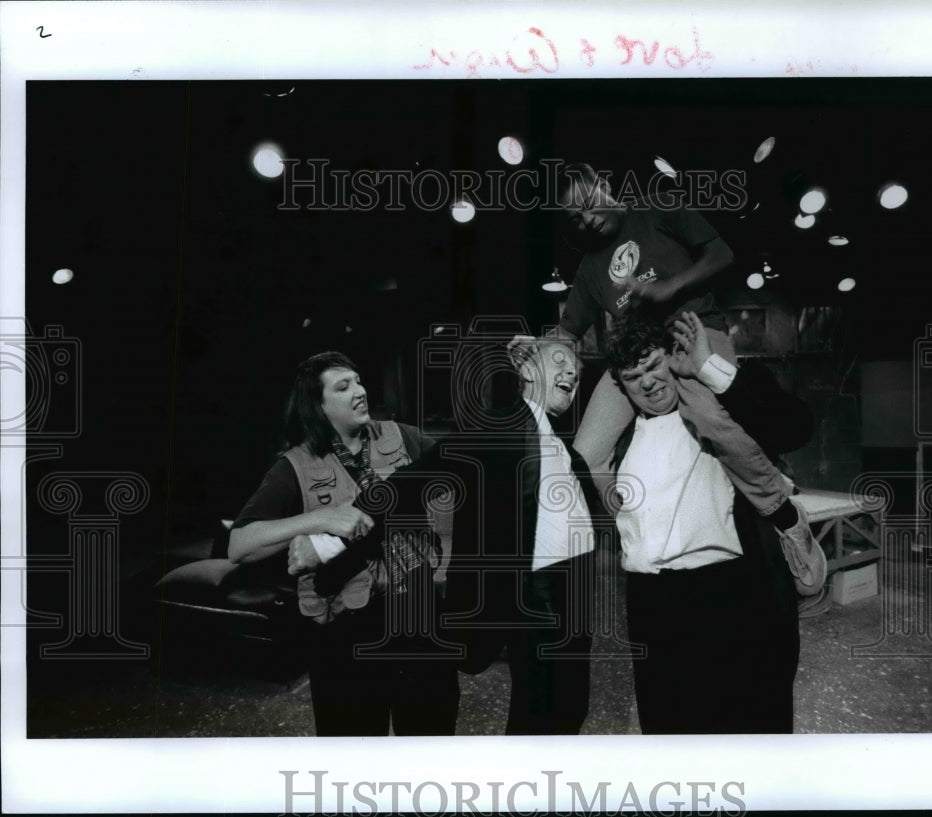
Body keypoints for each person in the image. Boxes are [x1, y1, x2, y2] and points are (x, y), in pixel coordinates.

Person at [514, 162, 825, 594]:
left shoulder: (658, 208)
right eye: (574, 217)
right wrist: (535, 347)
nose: (586, 219)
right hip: (638, 352)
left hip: (691, 335)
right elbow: (568, 332)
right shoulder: (588, 269)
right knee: (586, 449)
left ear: (604, 184)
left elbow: (723, 254)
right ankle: (630, 525)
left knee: (711, 419)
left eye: (586, 204)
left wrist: (670, 288)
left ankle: (784, 515)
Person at [290, 338, 600, 735]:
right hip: (536, 606)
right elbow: (416, 479)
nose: (572, 372)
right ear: (525, 371)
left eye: (577, 368)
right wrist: (329, 541)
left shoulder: (564, 450)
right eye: (559, 361)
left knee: (570, 712)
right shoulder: (501, 425)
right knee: (540, 724)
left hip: (574, 606)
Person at [603, 310, 817, 734]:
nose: (646, 381)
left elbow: (795, 427)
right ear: (622, 388)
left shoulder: (718, 408)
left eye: (652, 365)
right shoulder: (622, 442)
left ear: (671, 358)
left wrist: (708, 368)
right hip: (655, 606)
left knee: (746, 730)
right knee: (673, 733)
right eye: (632, 376)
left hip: (730, 596)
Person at [228, 351, 459, 737]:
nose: (360, 391)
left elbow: (461, 464)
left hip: (420, 623)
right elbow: (240, 545)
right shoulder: (293, 466)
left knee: (429, 746)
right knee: (353, 757)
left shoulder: (403, 437)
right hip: (347, 637)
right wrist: (321, 518)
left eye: (358, 381)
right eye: (343, 386)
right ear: (318, 406)